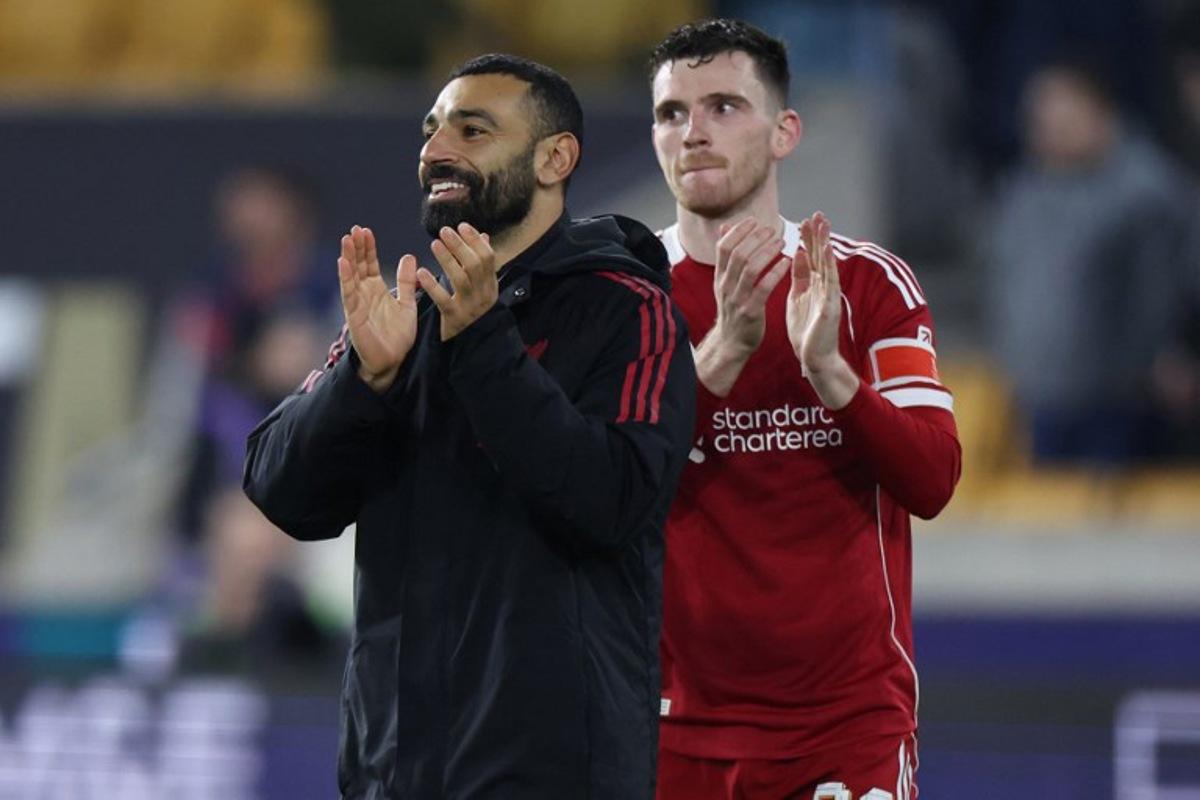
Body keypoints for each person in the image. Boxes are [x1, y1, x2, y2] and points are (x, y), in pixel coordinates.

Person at [243, 54, 696, 798]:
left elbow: (610, 500)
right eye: (432, 129)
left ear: (556, 158)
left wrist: (485, 340)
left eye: (473, 129)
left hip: (553, 778)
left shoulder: (626, 309)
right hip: (394, 771)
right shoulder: (408, 317)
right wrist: (365, 380)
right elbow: (282, 492)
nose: (436, 149)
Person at [646, 20, 961, 799]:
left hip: (845, 722)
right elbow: (597, 483)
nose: (694, 133)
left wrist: (830, 374)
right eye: (672, 113)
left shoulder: (869, 285)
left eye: (724, 107)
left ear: (786, 131)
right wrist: (721, 353)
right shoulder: (623, 293)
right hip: (667, 724)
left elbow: (933, 478)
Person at [987, 56, 1193, 464]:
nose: (1052, 133)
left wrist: (1163, 354)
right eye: (1043, 122)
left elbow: (1165, 290)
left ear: (1103, 117)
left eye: (1066, 121)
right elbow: (1003, 280)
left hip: (1121, 399)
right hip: (1040, 392)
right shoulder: (1023, 193)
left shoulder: (1146, 192)